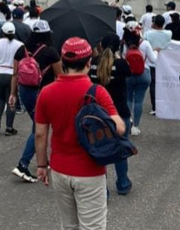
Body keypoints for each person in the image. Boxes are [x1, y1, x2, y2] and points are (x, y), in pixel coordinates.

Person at [35, 38, 125, 230]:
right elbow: (119, 128)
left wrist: (42, 165)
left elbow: (40, 135)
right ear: (88, 63)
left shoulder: (46, 92)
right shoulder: (97, 92)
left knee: (69, 226)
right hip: (90, 170)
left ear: (63, 61)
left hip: (59, 169)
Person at [8, 20, 61, 183]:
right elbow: (60, 77)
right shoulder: (51, 52)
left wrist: (13, 94)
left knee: (38, 125)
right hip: (43, 94)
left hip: (25, 92)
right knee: (38, 129)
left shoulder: (21, 50)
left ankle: (43, 159)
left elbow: (15, 74)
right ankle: (23, 165)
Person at [89, 33, 133, 195]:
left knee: (100, 150)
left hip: (98, 113)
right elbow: (129, 74)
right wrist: (118, 55)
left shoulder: (93, 63)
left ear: (100, 45)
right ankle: (122, 182)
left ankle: (102, 189)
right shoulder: (121, 64)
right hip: (119, 112)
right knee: (120, 148)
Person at [124, 25, 157, 136]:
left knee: (128, 99)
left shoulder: (125, 45)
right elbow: (153, 60)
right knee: (139, 101)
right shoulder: (146, 44)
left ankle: (127, 123)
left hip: (128, 74)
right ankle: (136, 127)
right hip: (144, 73)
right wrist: (156, 52)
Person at [143, 15, 171, 115]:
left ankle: (155, 107)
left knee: (153, 85)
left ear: (154, 23)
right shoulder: (169, 33)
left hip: (151, 63)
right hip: (165, 63)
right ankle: (165, 105)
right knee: (165, 84)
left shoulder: (148, 34)